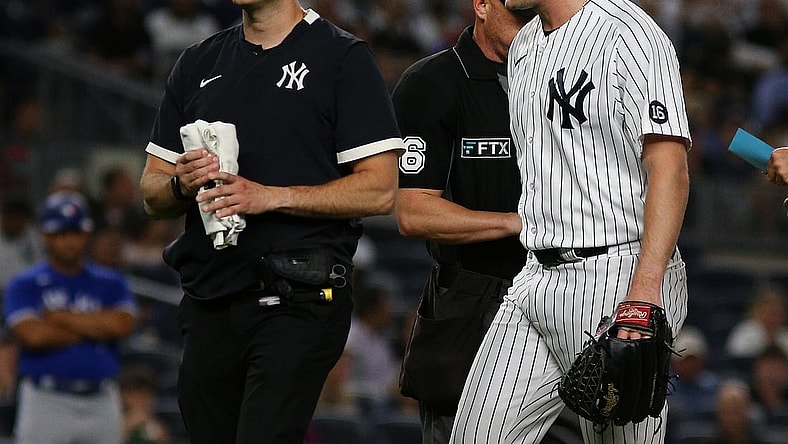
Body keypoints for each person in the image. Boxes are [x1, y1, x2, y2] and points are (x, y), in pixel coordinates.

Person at [138, 1, 403, 443]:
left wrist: (268, 197)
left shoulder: (341, 56)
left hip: (299, 295)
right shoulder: (199, 61)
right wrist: (182, 186)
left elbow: (379, 189)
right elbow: (151, 190)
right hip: (210, 296)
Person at [449, 0, 692, 443]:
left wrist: (645, 291)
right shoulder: (524, 45)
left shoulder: (629, 34)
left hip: (616, 273)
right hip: (533, 277)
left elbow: (669, 165)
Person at [391, 1, 534, 442]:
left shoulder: (559, 79)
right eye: (519, 14)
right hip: (472, 299)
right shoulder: (432, 83)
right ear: (483, 5)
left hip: (559, 293)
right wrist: (523, 223)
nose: (531, 26)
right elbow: (413, 211)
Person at [2, 190, 138, 444]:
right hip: (46, 398)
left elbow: (122, 325)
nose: (69, 241)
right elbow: (34, 336)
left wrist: (60, 318)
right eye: (61, 234)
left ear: (86, 235)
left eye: (75, 233)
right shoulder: (25, 283)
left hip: (102, 398)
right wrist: (95, 327)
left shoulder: (110, 281)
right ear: (45, 235)